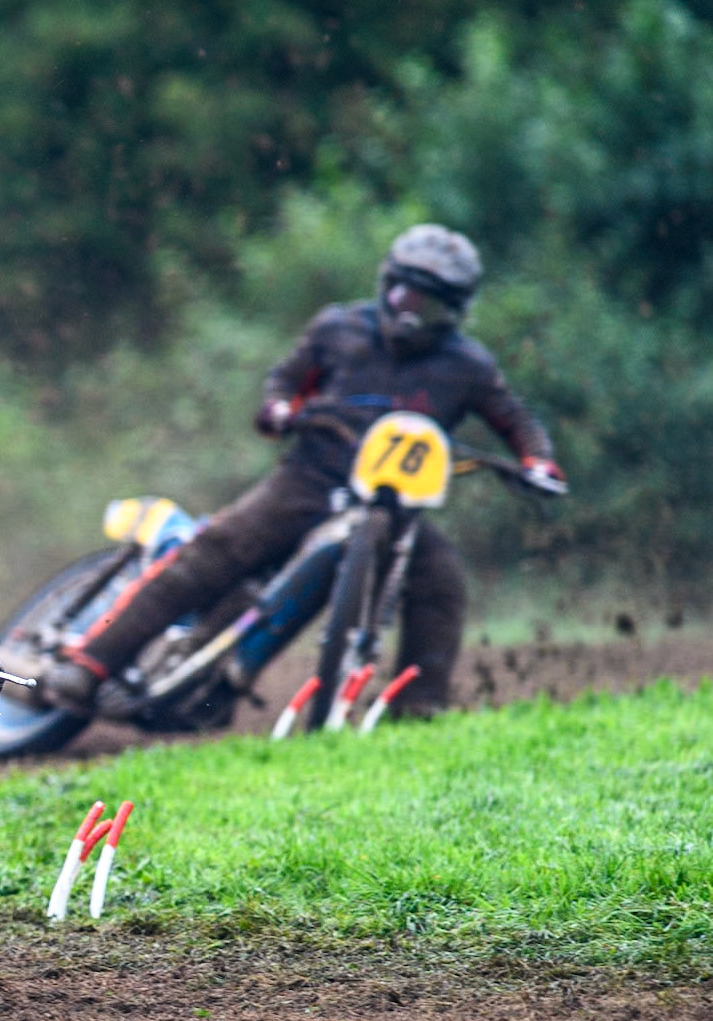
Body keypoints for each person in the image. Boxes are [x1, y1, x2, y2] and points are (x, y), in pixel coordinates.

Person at [45, 224, 566, 717]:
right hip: (308, 481)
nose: (410, 313)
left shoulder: (468, 365)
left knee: (441, 582)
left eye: (426, 304)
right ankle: (92, 663)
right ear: (386, 286)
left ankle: (418, 709)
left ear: (453, 312)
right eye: (404, 296)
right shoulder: (338, 328)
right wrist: (279, 408)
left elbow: (515, 419)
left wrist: (537, 462)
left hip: (397, 511)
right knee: (213, 553)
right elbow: (285, 380)